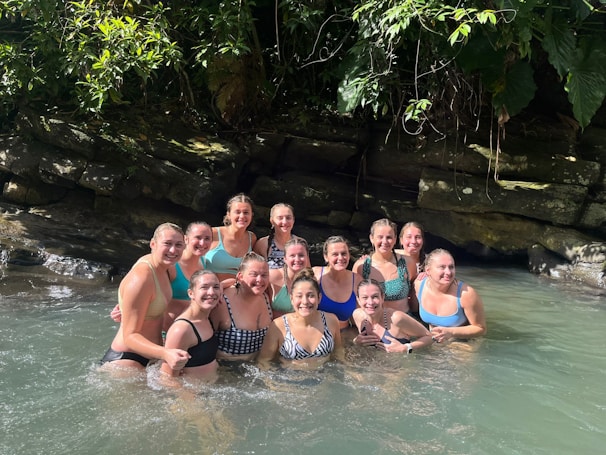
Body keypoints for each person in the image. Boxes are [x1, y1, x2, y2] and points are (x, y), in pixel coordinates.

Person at [100, 223, 190, 371]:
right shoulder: (142, 277)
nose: (173, 250)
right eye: (167, 244)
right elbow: (130, 336)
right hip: (127, 359)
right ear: (153, 244)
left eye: (179, 245)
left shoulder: (166, 267)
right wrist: (165, 353)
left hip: (152, 355)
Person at [258, 268, 342, 366]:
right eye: (299, 296)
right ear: (292, 299)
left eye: (311, 295)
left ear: (319, 298)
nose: (305, 301)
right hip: (288, 380)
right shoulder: (279, 326)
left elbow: (339, 353)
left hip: (325, 379)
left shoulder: (331, 320)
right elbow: (264, 362)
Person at [211, 252, 273, 361]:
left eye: (264, 275)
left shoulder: (265, 297)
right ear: (240, 276)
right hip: (228, 369)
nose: (260, 280)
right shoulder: (222, 302)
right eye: (254, 274)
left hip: (258, 366)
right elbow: (206, 339)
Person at [415, 248, 487, 342]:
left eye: (451, 267)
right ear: (428, 270)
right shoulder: (419, 285)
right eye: (442, 267)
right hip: (433, 341)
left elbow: (481, 329)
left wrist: (451, 332)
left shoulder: (466, 294)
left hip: (461, 343)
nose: (448, 272)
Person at [161, 270, 220, 381]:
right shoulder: (182, 329)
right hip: (193, 394)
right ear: (191, 293)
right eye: (204, 287)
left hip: (211, 388)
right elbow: (167, 378)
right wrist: (191, 398)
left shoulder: (207, 317)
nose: (211, 292)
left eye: (216, 287)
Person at [353, 218, 416, 314]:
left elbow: (415, 289)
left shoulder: (407, 263)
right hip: (375, 323)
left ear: (395, 239)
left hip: (403, 322)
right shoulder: (361, 267)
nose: (385, 241)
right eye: (380, 237)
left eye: (389, 237)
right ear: (371, 238)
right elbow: (356, 300)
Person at [352, 279, 432, 353]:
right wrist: (356, 341)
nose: (370, 302)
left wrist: (405, 348)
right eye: (365, 297)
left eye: (375, 297)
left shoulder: (396, 318)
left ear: (382, 297)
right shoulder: (358, 316)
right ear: (358, 300)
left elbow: (429, 337)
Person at [165, 221, 213, 333]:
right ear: (186, 239)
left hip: (195, 332)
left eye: (207, 238)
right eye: (198, 237)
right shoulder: (171, 265)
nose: (202, 243)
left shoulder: (204, 263)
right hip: (170, 332)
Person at [313, 236, 362, 330]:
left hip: (344, 334)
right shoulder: (315, 275)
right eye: (335, 254)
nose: (340, 258)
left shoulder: (357, 280)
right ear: (326, 257)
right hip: (316, 334)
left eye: (344, 253)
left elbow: (361, 315)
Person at [205, 193, 257, 281]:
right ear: (228, 214)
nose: (242, 216)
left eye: (246, 212)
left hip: (238, 289)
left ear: (252, 215)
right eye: (237, 212)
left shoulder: (252, 238)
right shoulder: (212, 233)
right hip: (210, 287)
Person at [254, 203, 309, 269]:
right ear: (272, 221)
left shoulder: (300, 243)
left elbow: (308, 271)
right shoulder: (263, 244)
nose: (285, 222)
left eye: (288, 218)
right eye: (280, 218)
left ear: (293, 220)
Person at [268, 237, 310, 318]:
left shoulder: (311, 280)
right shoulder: (273, 277)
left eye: (301, 255)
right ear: (285, 259)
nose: (297, 259)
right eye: (292, 256)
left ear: (307, 257)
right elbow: (264, 309)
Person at [398, 221, 427, 315]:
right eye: (409, 237)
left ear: (423, 240)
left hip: (419, 309)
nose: (413, 241)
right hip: (398, 308)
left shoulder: (430, 261)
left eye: (418, 237)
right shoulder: (392, 257)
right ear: (401, 240)